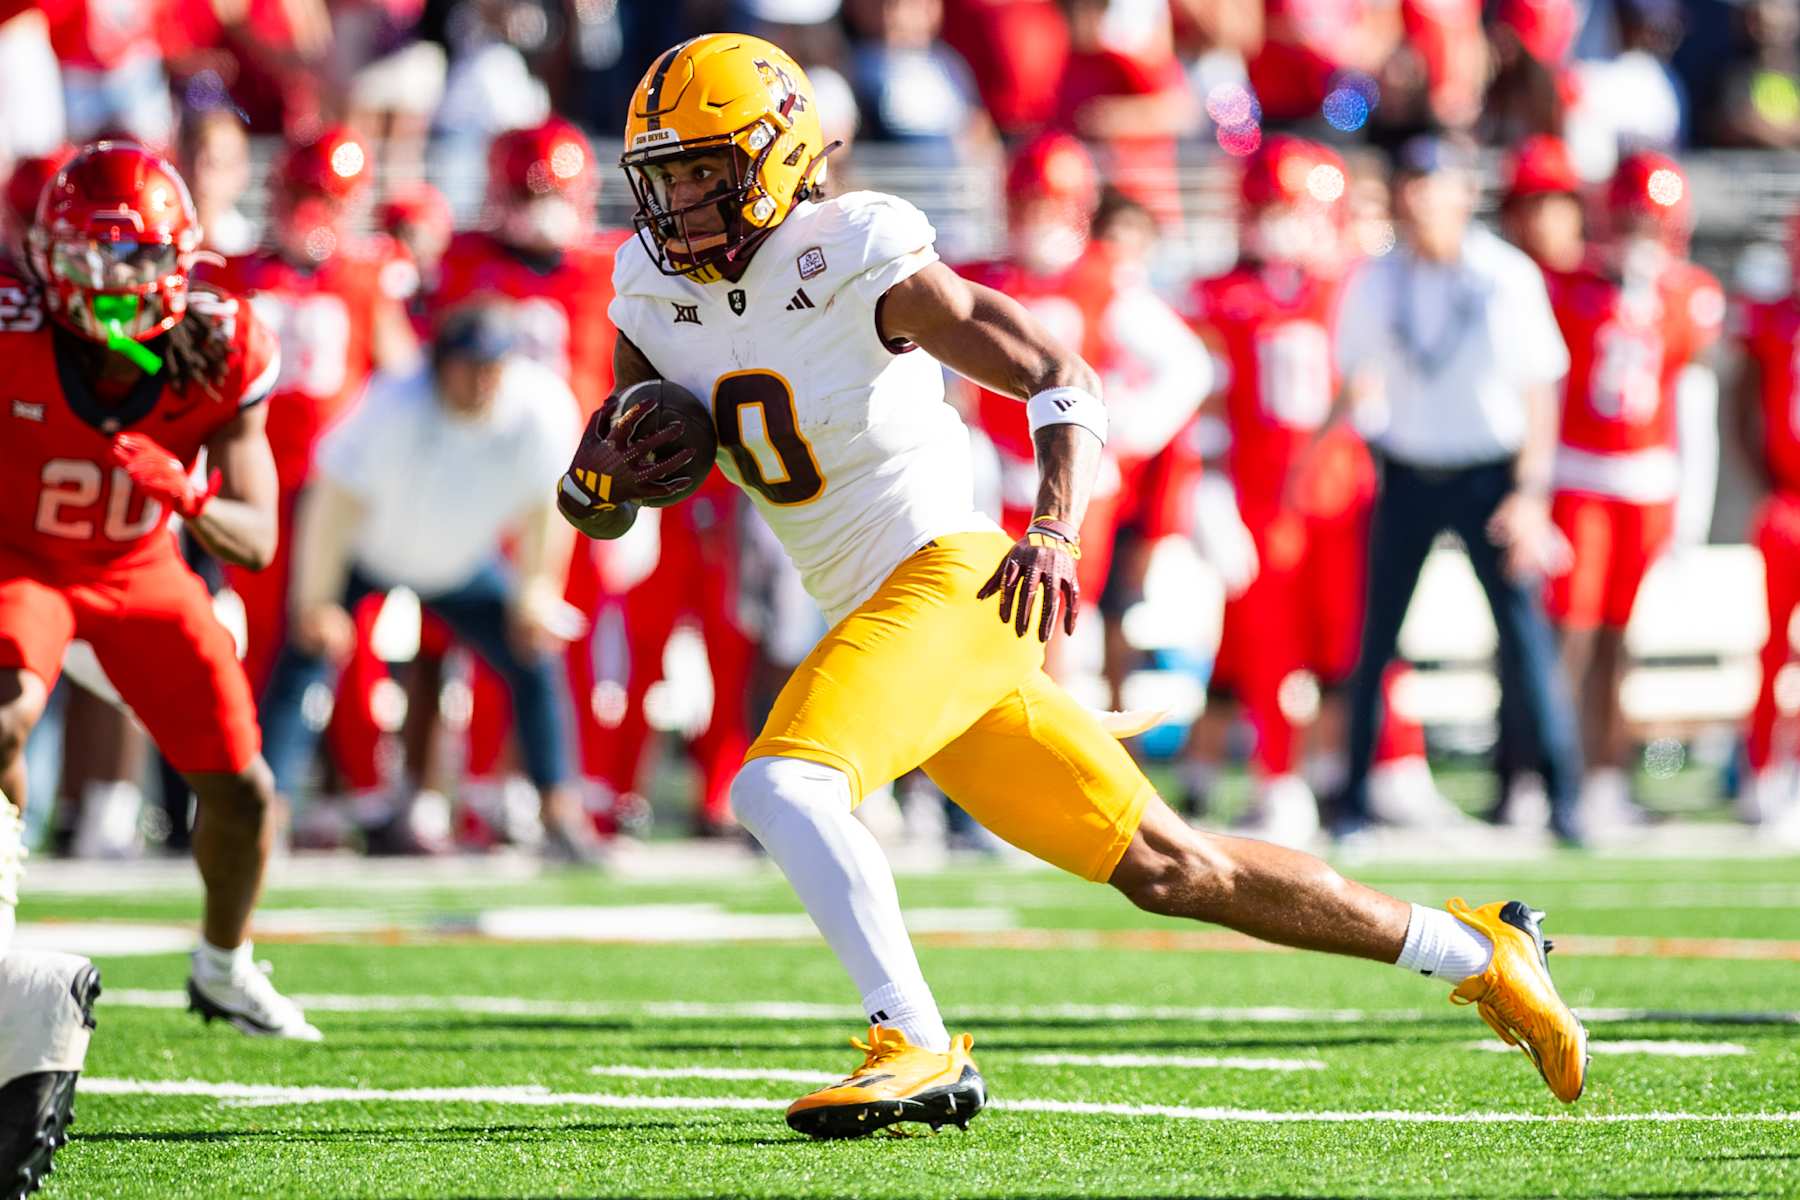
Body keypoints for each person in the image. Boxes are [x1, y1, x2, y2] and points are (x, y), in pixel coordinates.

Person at [560, 34, 1591, 1140]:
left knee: (784, 790)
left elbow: (1060, 376)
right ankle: (1481, 949)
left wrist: (1055, 527)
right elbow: (609, 493)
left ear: (777, 157)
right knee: (1170, 866)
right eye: (664, 177)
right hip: (888, 624)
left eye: (703, 171)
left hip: (954, 578)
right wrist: (595, 482)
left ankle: (911, 1042)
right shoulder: (651, 290)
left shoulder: (854, 253)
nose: (680, 203)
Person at [4, 140, 327, 1193]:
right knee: (5, 709)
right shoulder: (9, 330)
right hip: (22, 561)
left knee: (240, 790)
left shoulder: (218, 345)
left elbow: (259, 534)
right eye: (90, 265)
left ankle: (224, 968)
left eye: (137, 262)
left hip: (141, 566)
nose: (112, 289)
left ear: (181, 258)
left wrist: (180, 492)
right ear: (45, 263)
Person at [258, 303, 595, 859]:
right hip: (366, 552)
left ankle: (560, 811)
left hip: (460, 564)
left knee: (533, 653)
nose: (482, 379)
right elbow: (331, 499)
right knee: (305, 653)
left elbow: (546, 504)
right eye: (469, 366)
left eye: (493, 365)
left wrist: (537, 590)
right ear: (438, 365)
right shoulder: (394, 406)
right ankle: (265, 810)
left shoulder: (539, 407)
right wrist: (316, 598)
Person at [1328, 132, 1585, 845]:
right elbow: (1353, 376)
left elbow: (1539, 388)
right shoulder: (1379, 278)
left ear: (1464, 196)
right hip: (1409, 471)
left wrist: (1531, 493)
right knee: (1375, 638)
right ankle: (1352, 801)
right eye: (1411, 186)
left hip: (1489, 475)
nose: (1420, 201)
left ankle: (1563, 799)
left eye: (1433, 186)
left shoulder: (1504, 275)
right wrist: (1324, 451)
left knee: (1523, 639)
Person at [200, 126, 420, 846]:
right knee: (264, 638)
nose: (312, 212)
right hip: (258, 484)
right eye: (302, 195)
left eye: (326, 198)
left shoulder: (365, 277)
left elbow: (405, 379)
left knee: (349, 641)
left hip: (341, 491)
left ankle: (364, 794)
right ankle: (267, 789)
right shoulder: (236, 274)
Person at [424, 118, 630, 843]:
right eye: (528, 191)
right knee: (492, 635)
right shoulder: (467, 260)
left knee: (578, 634)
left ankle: (575, 790)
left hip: (588, 478)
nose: (541, 207)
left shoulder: (611, 265)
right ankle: (485, 790)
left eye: (553, 192)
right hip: (491, 474)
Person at [1542, 152, 1723, 833]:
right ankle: (1549, 777)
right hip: (1579, 476)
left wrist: (1691, 512)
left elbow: (1692, 405)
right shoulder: (1569, 288)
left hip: (1647, 485)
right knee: (1570, 638)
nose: (1641, 234)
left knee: (1620, 641)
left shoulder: (1689, 295)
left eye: (1651, 222)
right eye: (1631, 220)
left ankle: (1602, 777)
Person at [1729, 206, 1800, 838]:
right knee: (1772, 644)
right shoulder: (1770, 317)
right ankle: (1761, 771)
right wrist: (1766, 480)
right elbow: (1742, 405)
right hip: (1788, 499)